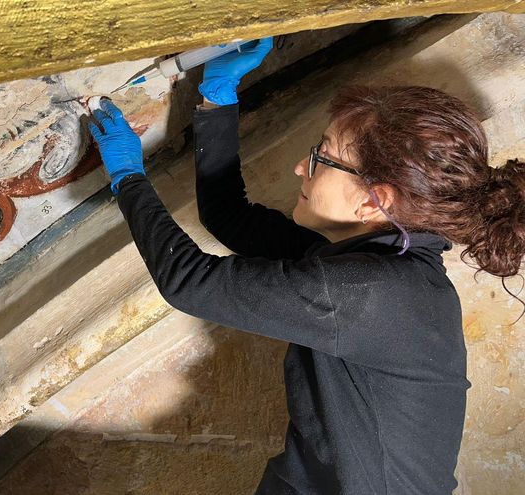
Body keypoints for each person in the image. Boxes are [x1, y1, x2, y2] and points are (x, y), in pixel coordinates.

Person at [87, 37, 525, 494]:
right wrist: (217, 99)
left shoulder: (373, 292)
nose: (301, 167)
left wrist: (128, 177)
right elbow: (230, 218)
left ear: (374, 201)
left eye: (321, 157)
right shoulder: (383, 265)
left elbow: (189, 282)